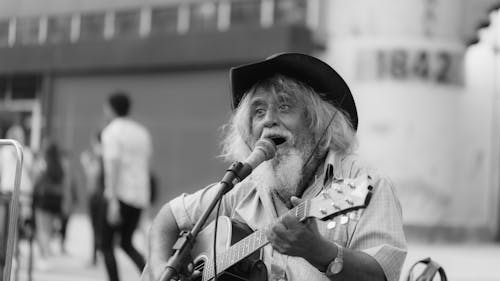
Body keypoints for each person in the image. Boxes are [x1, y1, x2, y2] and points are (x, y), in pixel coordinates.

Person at [143, 53, 407, 281]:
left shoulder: (364, 186)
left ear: (317, 121)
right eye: (258, 111)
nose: (268, 120)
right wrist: (158, 268)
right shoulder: (242, 191)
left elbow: (381, 274)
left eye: (284, 106)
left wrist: (319, 251)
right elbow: (169, 217)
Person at [101, 91, 152, 281]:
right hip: (139, 196)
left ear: (111, 108)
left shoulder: (111, 132)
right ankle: (153, 275)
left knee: (106, 245)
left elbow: (112, 166)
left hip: (119, 195)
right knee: (126, 243)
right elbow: (145, 165)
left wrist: (112, 200)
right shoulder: (141, 132)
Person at [80, 132, 106, 266]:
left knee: (96, 228)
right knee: (97, 228)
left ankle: (95, 257)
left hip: (96, 197)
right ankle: (96, 255)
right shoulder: (103, 155)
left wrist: (86, 163)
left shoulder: (99, 155)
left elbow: (93, 175)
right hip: (99, 196)